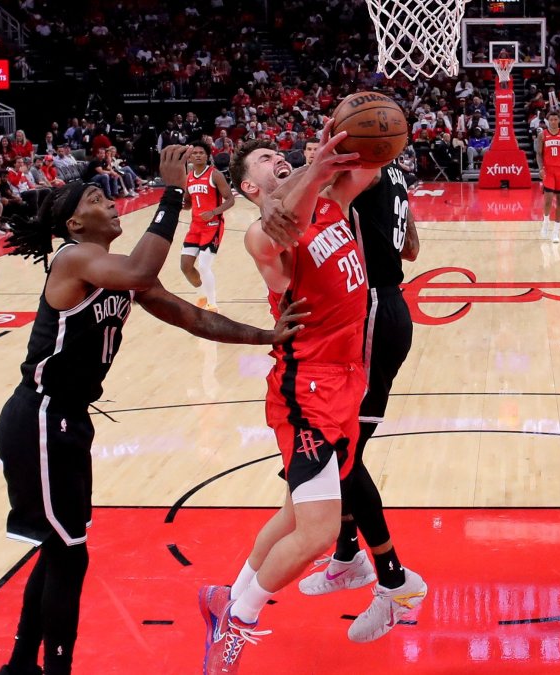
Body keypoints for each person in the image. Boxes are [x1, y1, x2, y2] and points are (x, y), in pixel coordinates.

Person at [0, 145, 305, 675]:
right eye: (97, 198)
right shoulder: (74, 259)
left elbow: (187, 315)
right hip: (40, 418)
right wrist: (173, 193)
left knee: (59, 548)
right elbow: (143, 270)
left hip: (67, 421)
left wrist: (265, 336)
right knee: (70, 554)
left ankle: (21, 667)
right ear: (75, 222)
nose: (112, 202)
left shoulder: (110, 270)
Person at [198, 129, 377, 673]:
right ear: (249, 185)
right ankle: (239, 619)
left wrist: (352, 133)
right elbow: (279, 234)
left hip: (346, 377)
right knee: (320, 531)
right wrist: (317, 169)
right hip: (309, 390)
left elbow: (371, 164)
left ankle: (222, 595)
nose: (279, 159)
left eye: (281, 154)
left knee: (295, 512)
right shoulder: (260, 233)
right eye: (264, 160)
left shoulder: (330, 202)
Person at [296, 161, 427, 642]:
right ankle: (349, 553)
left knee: (340, 454)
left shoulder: (367, 171)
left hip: (372, 310)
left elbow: (309, 189)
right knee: (343, 452)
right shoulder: (394, 174)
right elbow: (411, 247)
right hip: (382, 305)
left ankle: (394, 580)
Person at [180, 141, 235, 311]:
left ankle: (212, 303)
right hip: (195, 226)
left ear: (207, 156)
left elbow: (230, 199)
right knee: (186, 266)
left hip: (213, 225)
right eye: (194, 153)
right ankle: (203, 293)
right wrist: (182, 205)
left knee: (204, 265)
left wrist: (214, 212)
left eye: (201, 153)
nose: (197, 155)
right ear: (190, 157)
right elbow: (189, 203)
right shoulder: (188, 178)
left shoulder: (215, 175)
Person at [536, 111, 560, 243]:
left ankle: (556, 231)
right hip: (549, 171)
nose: (553, 121)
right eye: (550, 119)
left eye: (555, 119)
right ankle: (545, 222)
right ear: (547, 121)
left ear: (559, 120)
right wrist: (540, 168)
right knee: (548, 200)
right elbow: (539, 154)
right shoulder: (542, 135)